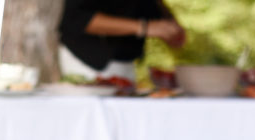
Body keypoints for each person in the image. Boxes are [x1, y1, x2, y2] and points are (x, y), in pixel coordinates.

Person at [58, 0, 186, 81]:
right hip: (88, 61)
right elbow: (76, 18)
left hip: (126, 62)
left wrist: (168, 22)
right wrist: (144, 27)